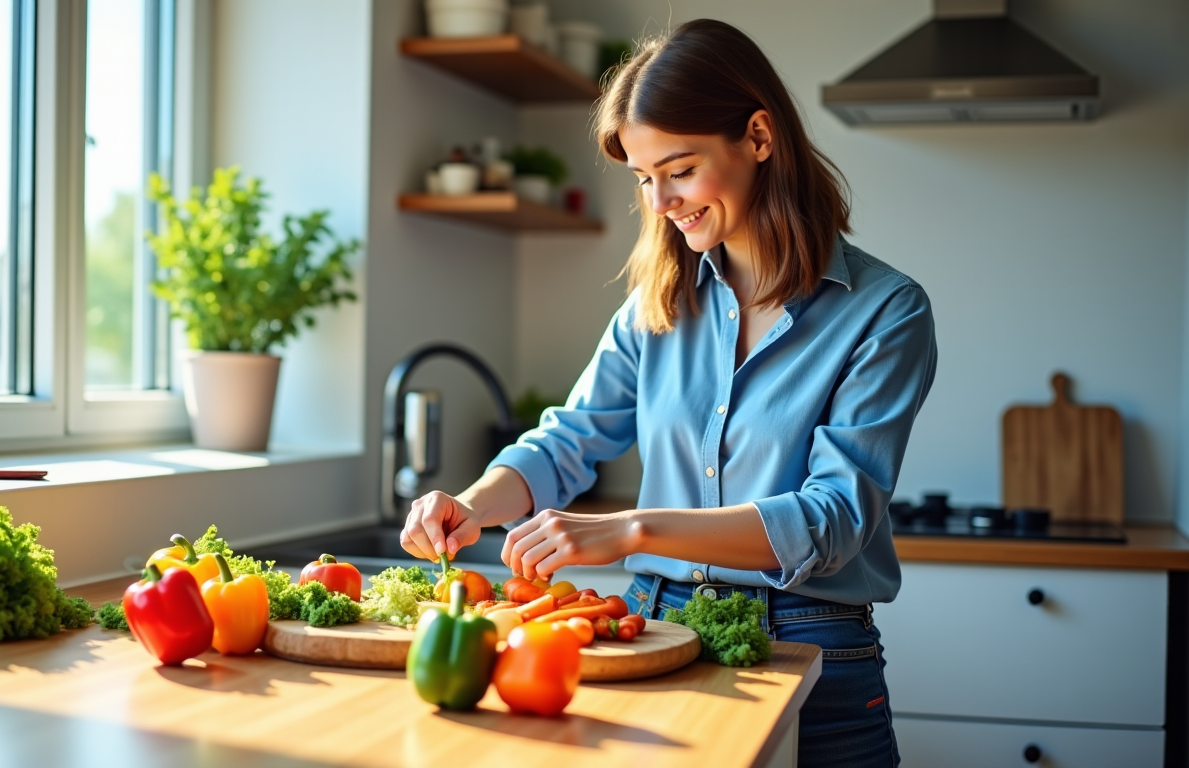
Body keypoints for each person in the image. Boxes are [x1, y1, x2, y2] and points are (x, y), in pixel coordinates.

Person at [398, 18, 936, 767]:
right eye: (644, 179)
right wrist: (473, 504)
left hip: (810, 642)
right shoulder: (658, 301)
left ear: (757, 136)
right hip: (650, 633)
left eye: (679, 170)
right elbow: (571, 437)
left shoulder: (886, 311)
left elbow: (834, 519)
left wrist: (631, 530)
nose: (660, 203)